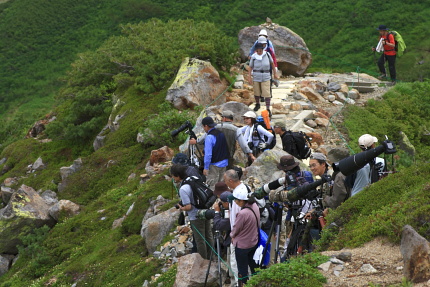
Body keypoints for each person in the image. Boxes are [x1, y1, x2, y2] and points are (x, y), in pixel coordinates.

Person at [170, 164, 213, 259]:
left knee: (200, 240)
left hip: (195, 216)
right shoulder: (193, 178)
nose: (173, 178)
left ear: (177, 175)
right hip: (206, 210)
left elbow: (188, 206)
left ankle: (203, 261)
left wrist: (182, 208)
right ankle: (211, 258)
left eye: (173, 176)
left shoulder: (183, 188)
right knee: (209, 235)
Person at [190, 110, 256, 168]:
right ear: (231, 119)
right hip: (228, 158)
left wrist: (196, 141)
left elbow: (205, 137)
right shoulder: (236, 130)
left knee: (213, 178)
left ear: (224, 118)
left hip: (215, 158)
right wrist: (251, 155)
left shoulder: (215, 127)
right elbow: (243, 145)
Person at [229, 181, 260, 286]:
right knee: (253, 265)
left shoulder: (242, 213)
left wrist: (231, 236)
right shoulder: (254, 205)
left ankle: (244, 284)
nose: (236, 203)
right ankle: (257, 283)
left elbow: (236, 229)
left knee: (242, 270)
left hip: (242, 245)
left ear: (242, 200)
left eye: (237, 201)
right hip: (253, 241)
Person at [223, 169, 248, 287]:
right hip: (245, 234)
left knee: (236, 263)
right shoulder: (244, 189)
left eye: (225, 180)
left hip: (239, 236)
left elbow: (239, 218)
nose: (225, 183)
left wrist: (234, 235)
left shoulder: (238, 195)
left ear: (230, 180)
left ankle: (239, 284)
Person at [195, 116, 229, 190]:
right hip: (224, 162)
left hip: (214, 165)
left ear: (206, 126)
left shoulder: (209, 137)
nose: (204, 129)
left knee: (212, 186)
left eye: (203, 127)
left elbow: (208, 154)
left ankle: (213, 201)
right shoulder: (221, 134)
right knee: (221, 185)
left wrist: (206, 168)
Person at [248, 43, 278, 113]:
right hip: (256, 76)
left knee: (267, 92)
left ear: (262, 49)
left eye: (260, 50)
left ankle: (267, 108)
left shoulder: (267, 54)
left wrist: (275, 73)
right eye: (257, 50)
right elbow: (250, 67)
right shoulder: (254, 56)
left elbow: (272, 64)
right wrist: (249, 77)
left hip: (266, 75)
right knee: (257, 91)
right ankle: (257, 104)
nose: (259, 52)